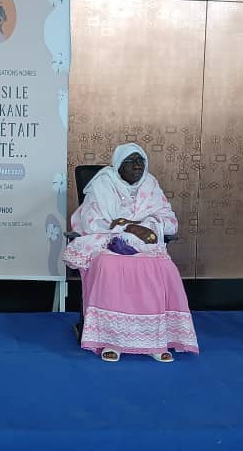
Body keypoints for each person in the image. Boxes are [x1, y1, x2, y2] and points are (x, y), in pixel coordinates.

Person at [62, 143, 199, 362]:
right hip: (106, 243)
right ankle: (111, 340)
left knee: (163, 266)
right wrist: (129, 228)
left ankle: (154, 340)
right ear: (118, 165)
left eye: (140, 161)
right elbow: (90, 221)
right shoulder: (102, 185)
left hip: (143, 245)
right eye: (130, 161)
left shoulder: (150, 184)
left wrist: (146, 226)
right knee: (108, 265)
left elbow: (169, 221)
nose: (137, 166)